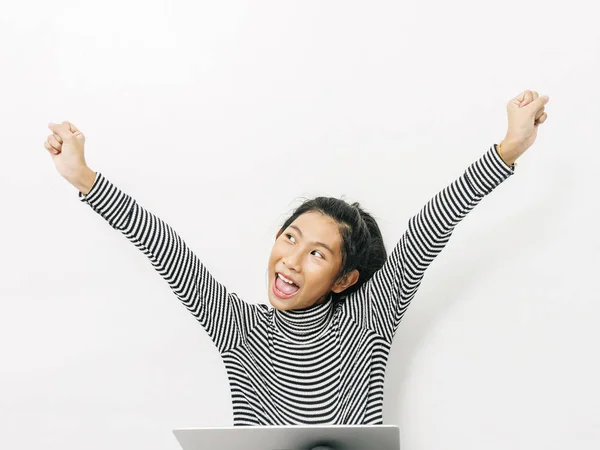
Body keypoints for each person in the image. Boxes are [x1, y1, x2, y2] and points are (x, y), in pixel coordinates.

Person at [43, 90, 549, 426]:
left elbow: (430, 228)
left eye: (316, 254)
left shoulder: (369, 317)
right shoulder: (237, 327)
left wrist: (507, 149)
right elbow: (165, 248)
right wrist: (85, 179)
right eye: (289, 238)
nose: (290, 261)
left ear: (345, 278)